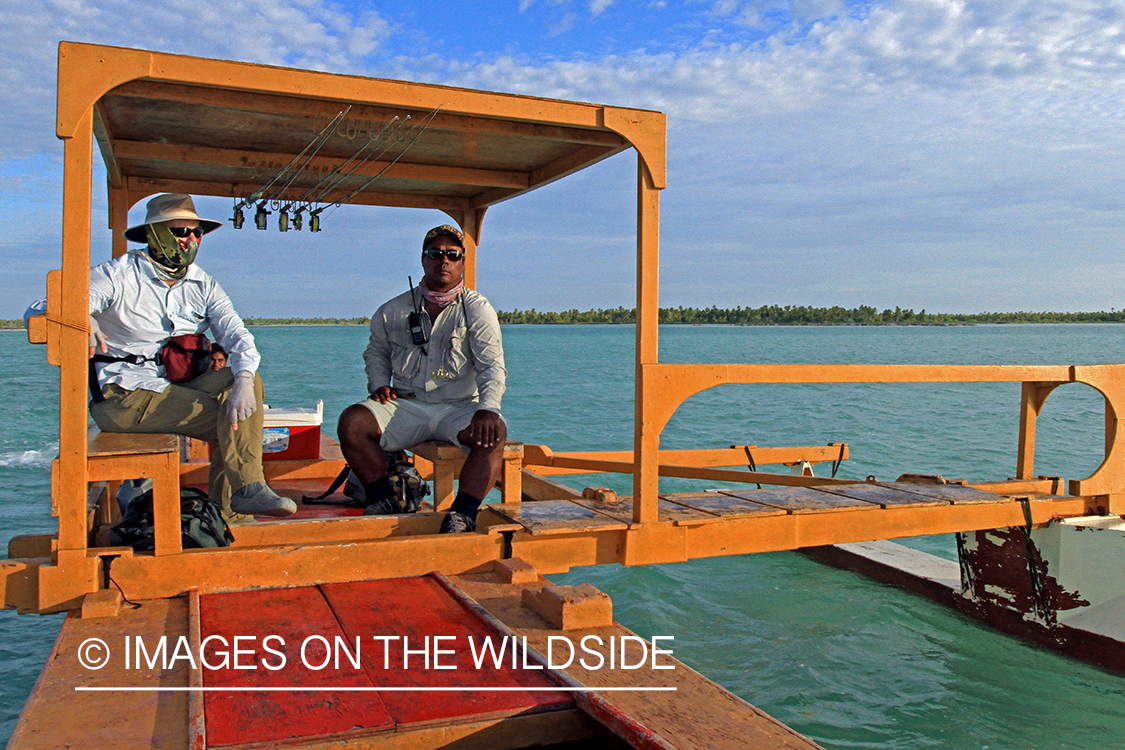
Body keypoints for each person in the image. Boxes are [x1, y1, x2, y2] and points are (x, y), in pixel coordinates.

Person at [87, 193, 296, 519]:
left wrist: (242, 379)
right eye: (181, 231)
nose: (191, 239)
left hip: (166, 389)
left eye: (197, 232)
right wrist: (82, 315)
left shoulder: (203, 284)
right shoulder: (119, 275)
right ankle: (233, 513)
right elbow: (48, 305)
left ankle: (239, 499)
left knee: (244, 379)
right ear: (155, 233)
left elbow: (238, 335)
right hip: (122, 396)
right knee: (230, 423)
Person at [337, 224, 507, 533]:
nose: (444, 260)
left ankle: (463, 514)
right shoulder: (393, 310)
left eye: (452, 255)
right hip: (407, 405)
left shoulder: (478, 310)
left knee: (494, 434)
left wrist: (489, 408)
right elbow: (376, 351)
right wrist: (379, 384)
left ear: (461, 263)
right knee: (352, 422)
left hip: (457, 408)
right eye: (435, 253)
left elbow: (492, 366)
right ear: (423, 259)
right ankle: (383, 499)